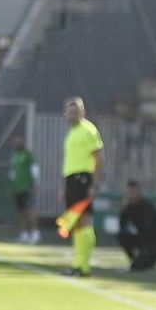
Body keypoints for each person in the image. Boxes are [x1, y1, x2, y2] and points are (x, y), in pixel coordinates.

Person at [61, 97, 103, 276]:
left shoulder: (88, 130)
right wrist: (65, 186)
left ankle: (84, 266)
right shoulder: (72, 132)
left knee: (84, 220)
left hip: (83, 179)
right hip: (72, 180)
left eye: (77, 110)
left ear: (83, 112)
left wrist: (94, 184)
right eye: (71, 111)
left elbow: (99, 158)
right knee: (76, 223)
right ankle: (77, 263)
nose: (74, 114)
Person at [117, 180, 156, 270]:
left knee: (139, 267)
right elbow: (122, 225)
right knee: (121, 236)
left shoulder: (146, 207)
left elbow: (148, 230)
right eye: (129, 192)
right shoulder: (130, 207)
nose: (131, 194)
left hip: (155, 242)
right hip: (143, 241)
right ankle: (135, 259)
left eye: (133, 192)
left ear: (138, 191)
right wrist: (124, 209)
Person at [10, 135, 39, 244]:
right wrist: (12, 186)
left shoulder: (28, 155)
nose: (17, 144)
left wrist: (35, 185)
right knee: (21, 212)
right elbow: (12, 173)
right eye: (15, 142)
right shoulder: (14, 157)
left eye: (19, 142)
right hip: (18, 188)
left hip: (27, 187)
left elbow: (34, 170)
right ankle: (24, 234)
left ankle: (35, 233)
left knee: (30, 211)